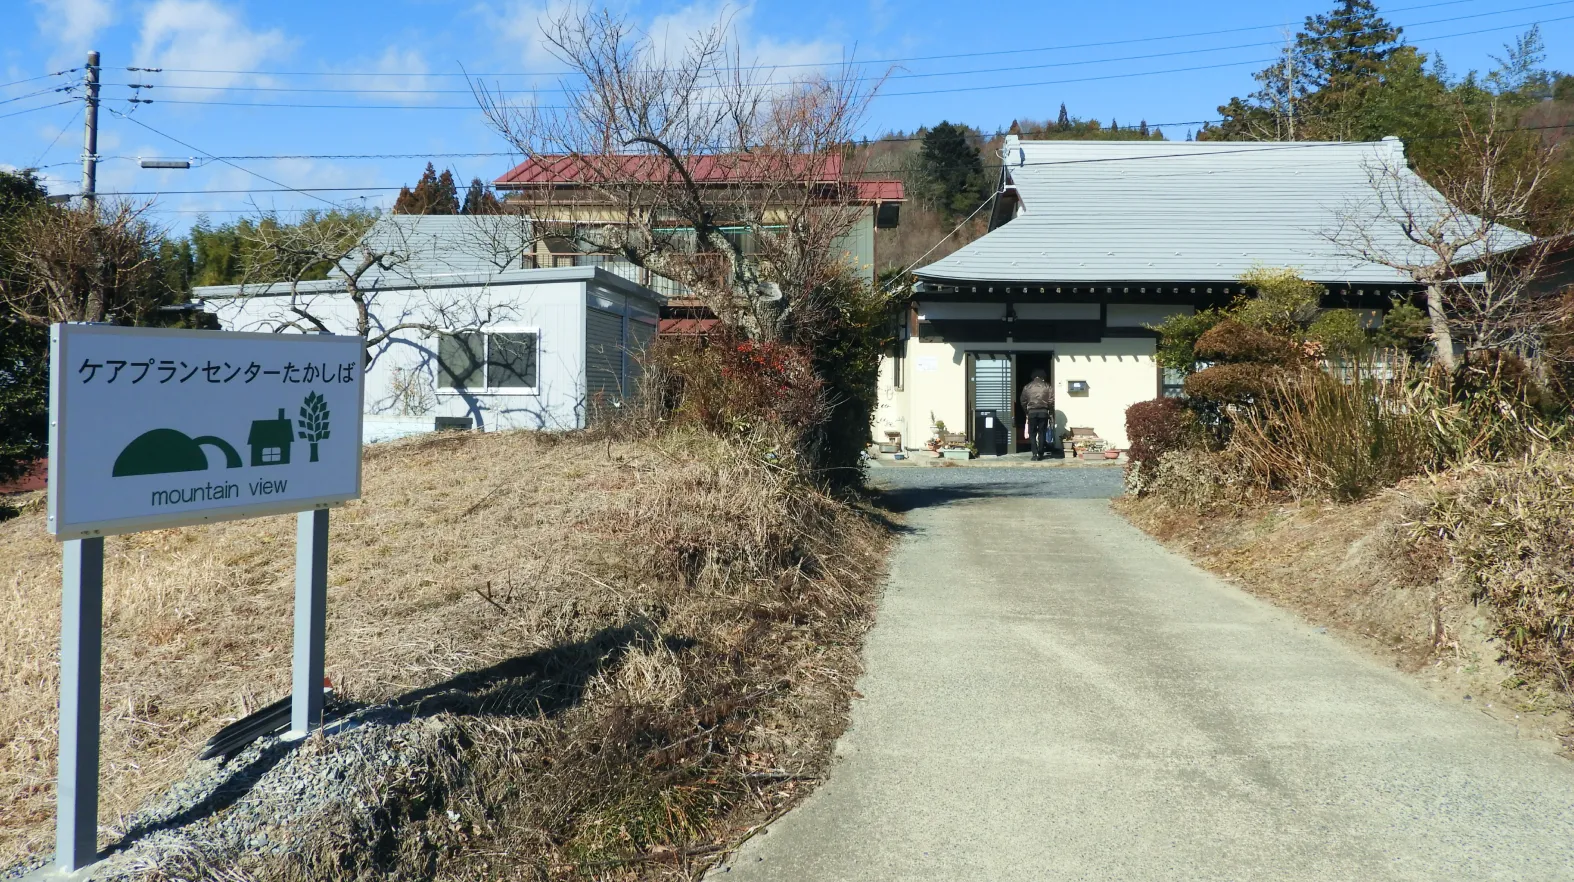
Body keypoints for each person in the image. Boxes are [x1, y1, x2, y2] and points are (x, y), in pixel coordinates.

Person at [1019, 369, 1056, 460]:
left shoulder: (1027, 387)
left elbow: (1023, 401)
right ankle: (1041, 453)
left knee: (1032, 433)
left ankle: (1034, 454)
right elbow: (1051, 401)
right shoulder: (1047, 386)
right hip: (1043, 412)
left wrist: (1026, 412)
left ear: (1033, 377)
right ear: (1043, 377)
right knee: (1042, 433)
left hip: (1032, 412)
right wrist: (1050, 413)